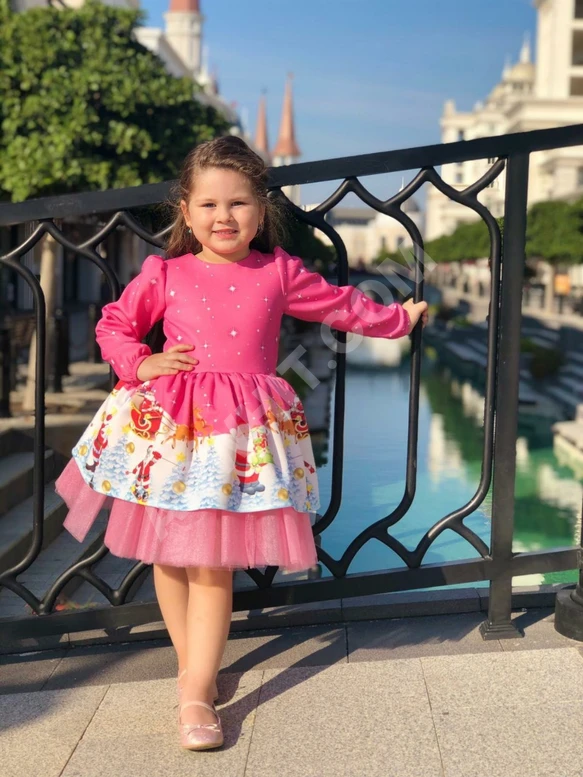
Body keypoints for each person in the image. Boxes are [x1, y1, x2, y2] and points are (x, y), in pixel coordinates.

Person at [54, 135, 428, 752]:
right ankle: (192, 672)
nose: (223, 216)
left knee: (211, 563)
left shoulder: (277, 271)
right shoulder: (166, 272)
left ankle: (197, 693)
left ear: (262, 210)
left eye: (238, 203)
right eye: (208, 204)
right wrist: (141, 363)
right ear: (185, 211)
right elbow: (115, 323)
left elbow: (338, 306)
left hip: (237, 438)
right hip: (171, 433)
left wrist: (395, 320)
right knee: (168, 556)